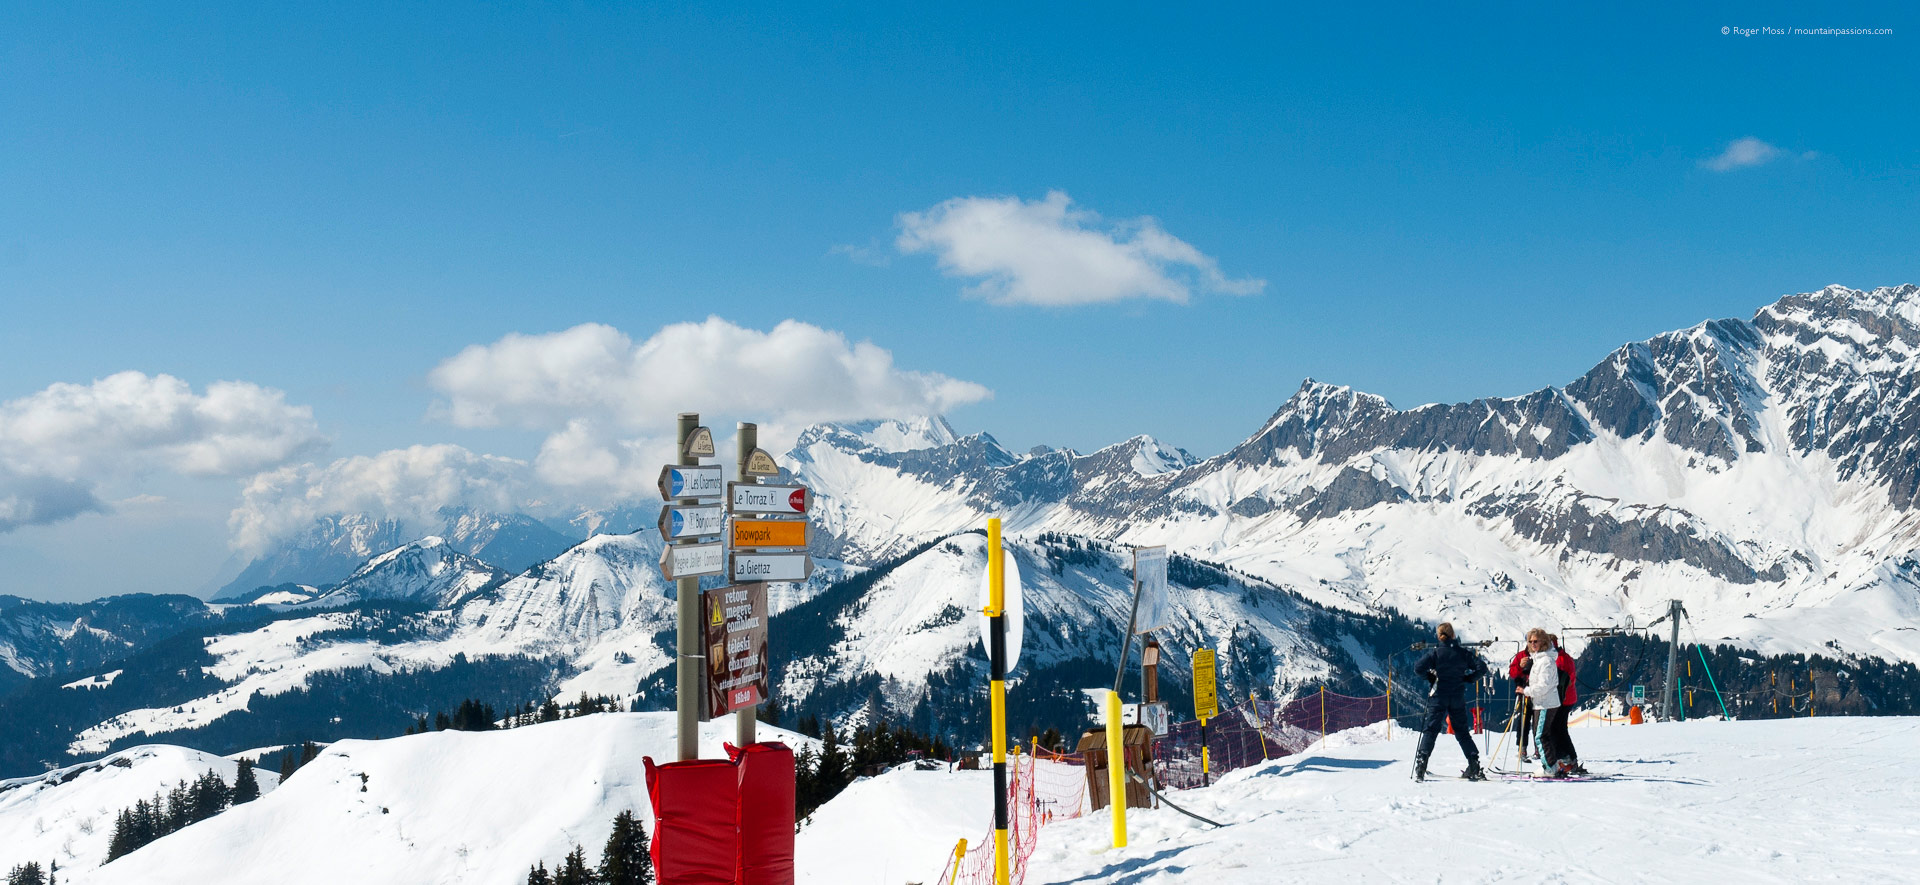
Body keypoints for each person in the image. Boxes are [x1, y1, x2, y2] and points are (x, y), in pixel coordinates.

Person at [1413, 622, 1489, 782]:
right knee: (1461, 732)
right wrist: (1468, 678)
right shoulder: (1462, 653)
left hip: (1439, 695)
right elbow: (1482, 667)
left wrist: (1430, 677)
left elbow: (1418, 667)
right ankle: (1474, 764)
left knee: (1431, 730)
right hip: (1457, 696)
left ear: (1439, 636)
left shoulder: (1436, 653)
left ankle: (1421, 763)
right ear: (1453, 635)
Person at [1520, 630, 1568, 776]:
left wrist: (1526, 691)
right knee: (1543, 735)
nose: (1533, 644)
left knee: (1540, 736)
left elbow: (1544, 685)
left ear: (1544, 642)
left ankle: (1549, 767)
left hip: (1545, 703)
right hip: (1542, 702)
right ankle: (1551, 764)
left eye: (1536, 641)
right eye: (1530, 641)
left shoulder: (1546, 660)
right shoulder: (1539, 659)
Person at [1549, 634, 1586, 775]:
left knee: (1555, 729)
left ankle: (1565, 759)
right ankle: (1570, 759)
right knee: (1560, 729)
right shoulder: (1562, 657)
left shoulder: (1561, 660)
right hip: (1565, 698)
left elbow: (1565, 681)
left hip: (1562, 699)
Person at [1506, 643, 1537, 763]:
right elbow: (1513, 673)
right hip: (1523, 692)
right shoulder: (1520, 656)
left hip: (1536, 692)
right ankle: (1522, 748)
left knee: (1538, 723)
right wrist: (1520, 666)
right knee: (1523, 722)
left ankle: (1538, 748)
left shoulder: (1541, 656)